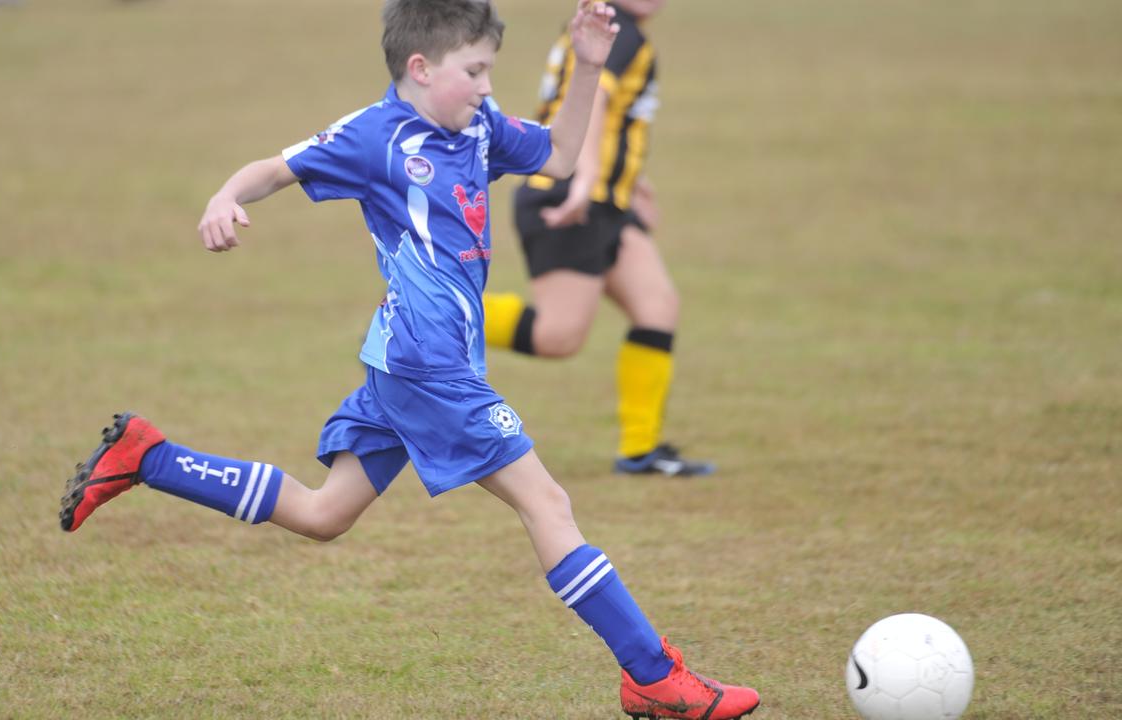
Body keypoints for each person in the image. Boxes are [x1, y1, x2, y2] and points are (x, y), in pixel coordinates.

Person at [58, 2, 758, 718]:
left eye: (490, 69)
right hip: (427, 367)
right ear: (420, 69)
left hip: (408, 359)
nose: (488, 86)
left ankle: (150, 456)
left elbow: (560, 155)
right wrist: (225, 196)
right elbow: (277, 167)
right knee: (548, 503)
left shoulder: (478, 127)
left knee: (325, 513)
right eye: (474, 71)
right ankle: (650, 675)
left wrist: (586, 64)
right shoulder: (373, 137)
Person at [482, 0, 712, 478]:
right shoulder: (618, 31)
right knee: (558, 335)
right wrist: (586, 179)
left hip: (604, 201)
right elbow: (597, 100)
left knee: (657, 307)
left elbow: (604, 120)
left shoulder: (601, 29)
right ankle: (415, 319)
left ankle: (640, 450)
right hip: (569, 198)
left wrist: (631, 183)